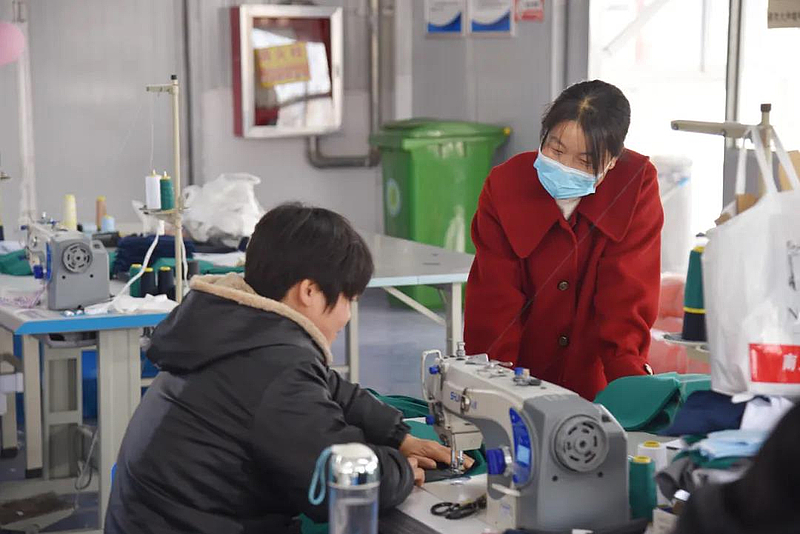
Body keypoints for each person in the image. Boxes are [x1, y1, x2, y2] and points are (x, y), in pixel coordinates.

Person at [106, 203, 457, 534]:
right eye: (348, 300)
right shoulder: (275, 368)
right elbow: (335, 480)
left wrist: (398, 435)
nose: (347, 316)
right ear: (309, 291)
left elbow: (326, 384)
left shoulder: (232, 330)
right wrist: (400, 469)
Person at [464, 80, 664, 401]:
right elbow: (494, 300)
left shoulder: (634, 186)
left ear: (613, 160)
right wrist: (494, 388)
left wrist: (631, 394)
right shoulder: (505, 185)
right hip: (516, 375)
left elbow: (627, 295)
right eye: (556, 150)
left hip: (596, 382)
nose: (564, 167)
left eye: (585, 161)